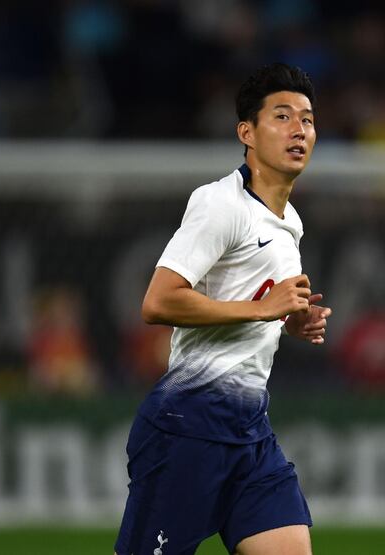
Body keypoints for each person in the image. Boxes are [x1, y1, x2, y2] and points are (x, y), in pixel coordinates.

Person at [114, 62, 331, 555]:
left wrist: (287, 319)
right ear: (246, 133)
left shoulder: (289, 222)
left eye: (308, 119)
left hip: (250, 432)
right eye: (282, 116)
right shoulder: (219, 203)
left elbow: (256, 303)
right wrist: (261, 310)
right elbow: (158, 301)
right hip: (188, 428)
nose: (299, 129)